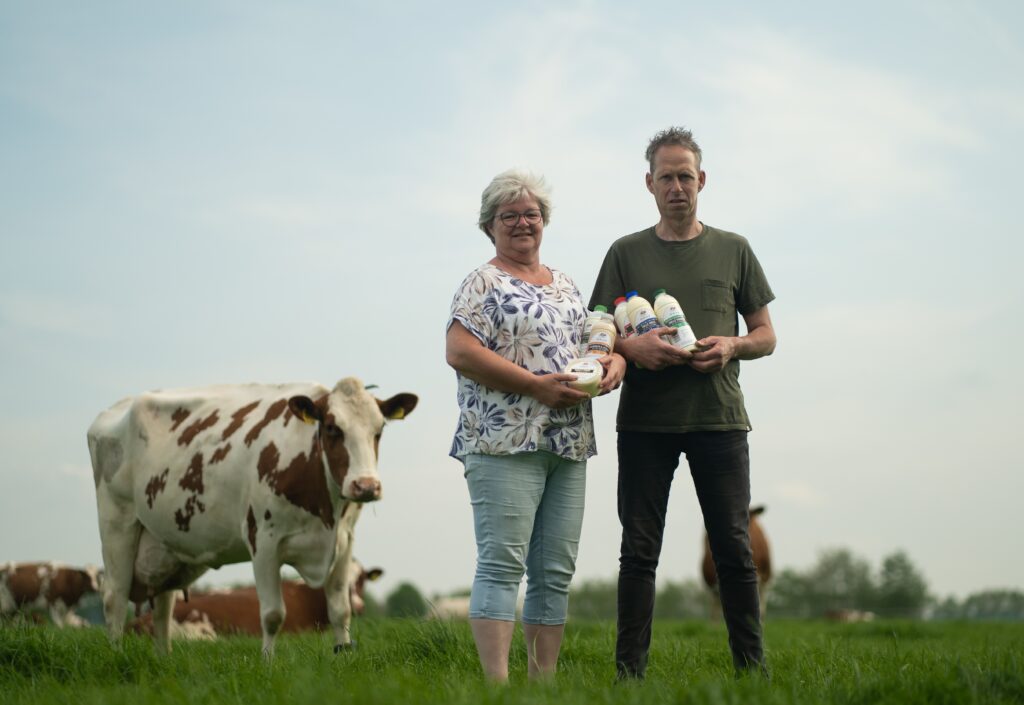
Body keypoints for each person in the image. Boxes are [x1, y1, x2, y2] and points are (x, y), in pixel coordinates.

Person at [589, 127, 777, 679]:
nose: (677, 186)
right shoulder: (624, 253)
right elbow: (596, 333)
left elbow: (766, 333)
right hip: (646, 423)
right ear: (649, 183)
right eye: (666, 177)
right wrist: (631, 345)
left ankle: (753, 673)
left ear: (703, 181)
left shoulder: (734, 249)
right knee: (638, 553)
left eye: (686, 176)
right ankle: (629, 677)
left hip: (719, 420)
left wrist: (734, 345)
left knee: (735, 553)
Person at [446, 168, 626, 682]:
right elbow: (459, 350)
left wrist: (615, 364)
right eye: (509, 215)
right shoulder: (483, 281)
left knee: (553, 573)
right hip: (504, 440)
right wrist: (534, 385)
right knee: (502, 564)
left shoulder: (568, 284)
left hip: (567, 442)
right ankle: (497, 687)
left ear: (544, 221)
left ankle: (541, 683)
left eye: (531, 214)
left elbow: (597, 340)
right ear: (490, 225)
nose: (522, 223)